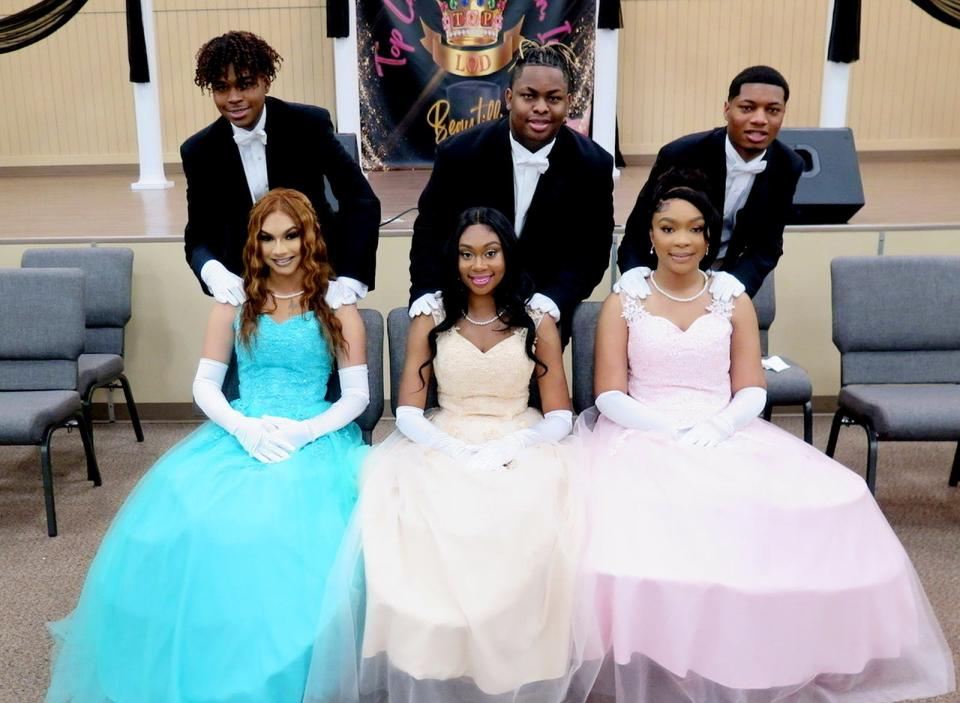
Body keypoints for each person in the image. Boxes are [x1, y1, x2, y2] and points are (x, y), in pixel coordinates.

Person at [576, 173, 955, 702]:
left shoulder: (733, 299)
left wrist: (719, 425)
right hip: (641, 428)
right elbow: (609, 392)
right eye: (668, 228)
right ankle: (658, 658)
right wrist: (667, 429)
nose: (681, 240)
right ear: (651, 234)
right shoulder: (626, 300)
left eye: (694, 229)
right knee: (643, 531)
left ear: (710, 238)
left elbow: (751, 386)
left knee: (825, 502)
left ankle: (756, 655)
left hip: (723, 425)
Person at [46, 189, 370, 703]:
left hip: (315, 435)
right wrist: (243, 428)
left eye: (291, 235)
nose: (280, 248)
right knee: (196, 520)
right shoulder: (235, 302)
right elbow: (204, 386)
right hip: (241, 427)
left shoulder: (337, 303)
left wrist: (303, 432)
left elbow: (357, 396)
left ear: (309, 237)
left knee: (284, 528)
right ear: (254, 243)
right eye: (268, 237)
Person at [304, 207, 595, 703]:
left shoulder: (538, 316)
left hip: (518, 435)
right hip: (443, 436)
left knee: (535, 521)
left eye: (490, 252)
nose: (478, 264)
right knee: (413, 520)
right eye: (466, 254)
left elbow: (560, 414)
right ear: (453, 259)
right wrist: (453, 448)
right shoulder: (431, 315)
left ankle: (512, 662)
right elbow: (409, 410)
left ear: (507, 254)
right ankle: (438, 662)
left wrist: (513, 444)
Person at [408, 40, 615, 345]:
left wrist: (555, 298)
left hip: (543, 309)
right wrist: (426, 291)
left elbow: (592, 249)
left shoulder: (593, 164)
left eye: (553, 98)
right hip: (465, 303)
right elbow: (430, 231)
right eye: (529, 96)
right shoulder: (460, 154)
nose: (541, 107)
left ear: (568, 102)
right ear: (509, 97)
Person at [182, 30, 380, 310]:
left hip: (319, 278)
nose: (233, 97)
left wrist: (349, 278)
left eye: (245, 84)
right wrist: (213, 272)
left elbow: (361, 200)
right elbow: (198, 236)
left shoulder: (309, 124)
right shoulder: (199, 151)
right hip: (246, 288)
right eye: (222, 88)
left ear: (266, 80)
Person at [617, 65, 804, 302]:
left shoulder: (788, 165)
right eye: (747, 108)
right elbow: (639, 229)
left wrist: (737, 282)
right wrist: (636, 274)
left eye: (772, 110)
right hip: (665, 275)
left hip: (727, 278)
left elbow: (768, 245)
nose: (759, 119)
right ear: (727, 109)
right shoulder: (681, 153)